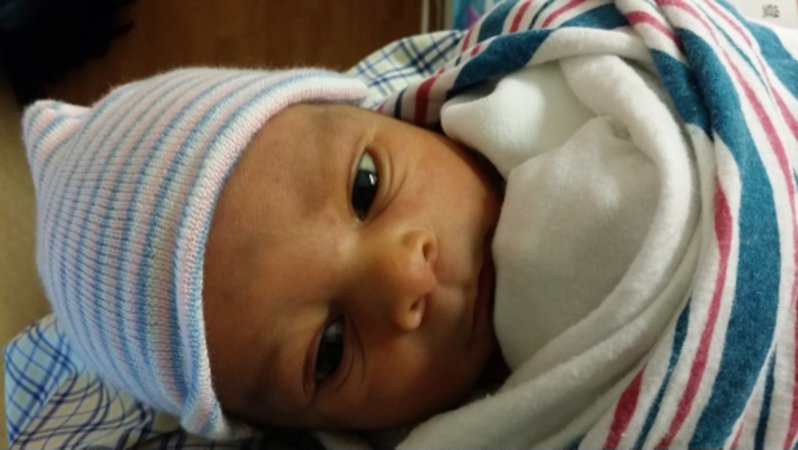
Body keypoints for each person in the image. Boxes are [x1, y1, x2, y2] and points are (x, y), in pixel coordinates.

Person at [14, 0, 798, 448]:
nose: (402, 273)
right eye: (328, 351)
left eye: (367, 186)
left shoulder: (549, 84)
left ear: (388, 116)